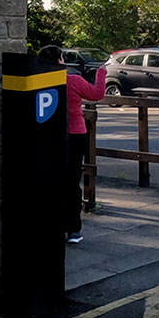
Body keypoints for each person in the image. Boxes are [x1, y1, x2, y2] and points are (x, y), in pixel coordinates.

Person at [38, 45, 106, 245]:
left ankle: (52, 224)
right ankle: (73, 229)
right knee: (72, 181)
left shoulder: (39, 83)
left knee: (52, 181)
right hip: (75, 134)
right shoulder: (73, 81)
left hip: (48, 136)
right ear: (60, 60)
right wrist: (101, 73)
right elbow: (96, 93)